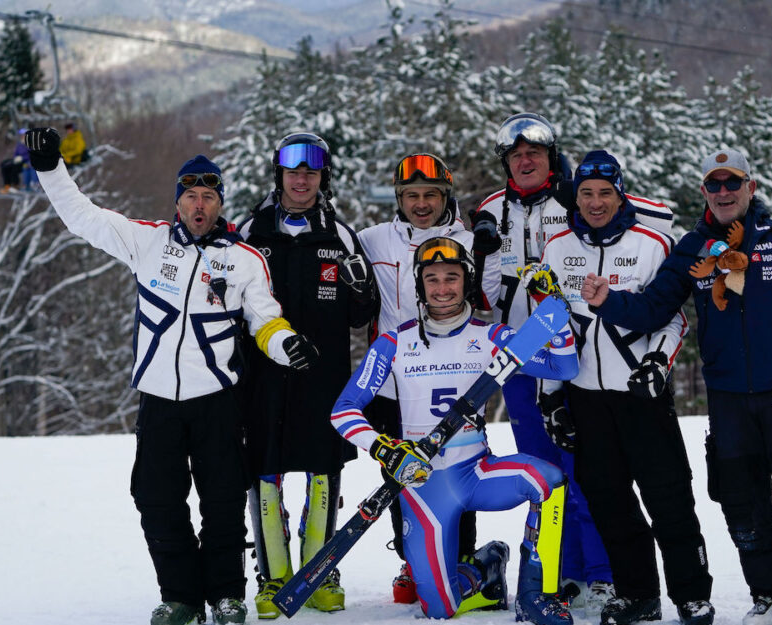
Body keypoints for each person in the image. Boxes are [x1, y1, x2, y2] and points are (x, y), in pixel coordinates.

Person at [25, 127, 323, 625]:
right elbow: (82, 217)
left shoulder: (244, 260)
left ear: (220, 204)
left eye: (209, 196)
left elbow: (265, 318)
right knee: (157, 499)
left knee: (223, 500)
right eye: (191, 196)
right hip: (159, 402)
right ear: (178, 203)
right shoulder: (148, 242)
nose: (199, 205)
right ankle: (181, 597)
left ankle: (227, 594)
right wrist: (51, 167)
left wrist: (285, 344)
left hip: (217, 401)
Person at [582, 148, 772, 625]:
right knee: (744, 507)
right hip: (727, 401)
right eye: (714, 184)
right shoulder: (693, 247)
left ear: (752, 188)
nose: (723, 192)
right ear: (704, 191)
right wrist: (609, 302)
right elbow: (654, 309)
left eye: (733, 183)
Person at [331, 236, 579, 625]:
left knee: (549, 480)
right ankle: (486, 566)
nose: (443, 288)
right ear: (420, 285)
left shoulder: (491, 336)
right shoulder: (394, 343)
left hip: (477, 472)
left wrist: (556, 317)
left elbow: (563, 368)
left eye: (452, 277)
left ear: (467, 281)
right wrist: (384, 449)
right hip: (423, 487)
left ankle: (536, 593)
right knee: (440, 608)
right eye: (432, 279)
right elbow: (343, 411)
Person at [537, 150, 715, 625]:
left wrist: (657, 363)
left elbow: (671, 317)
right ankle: (638, 594)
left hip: (641, 393)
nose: (595, 203)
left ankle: (692, 594)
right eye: (587, 193)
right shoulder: (556, 247)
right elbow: (551, 326)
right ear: (575, 195)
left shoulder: (652, 242)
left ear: (620, 193)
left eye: (605, 193)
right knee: (609, 501)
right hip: (585, 397)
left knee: (669, 498)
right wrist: (551, 395)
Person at [474, 113, 635, 615]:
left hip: (575, 354)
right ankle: (558, 572)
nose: (526, 161)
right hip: (520, 356)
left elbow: (638, 220)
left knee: (585, 466)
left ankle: (602, 575)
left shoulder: (574, 197)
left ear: (551, 158)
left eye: (535, 154)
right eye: (517, 154)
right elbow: (480, 288)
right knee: (542, 470)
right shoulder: (490, 209)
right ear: (506, 162)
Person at [237, 132, 379, 618]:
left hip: (324, 377)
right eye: (293, 171)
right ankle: (273, 576)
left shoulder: (339, 234)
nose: (302, 180)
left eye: (311, 172)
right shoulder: (249, 231)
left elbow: (362, 315)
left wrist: (362, 290)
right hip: (263, 377)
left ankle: (320, 570)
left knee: (324, 469)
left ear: (323, 178)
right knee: (265, 468)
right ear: (278, 175)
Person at [356, 152, 501, 603]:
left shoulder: (466, 237)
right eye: (412, 195)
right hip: (393, 384)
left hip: (454, 377)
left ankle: (460, 556)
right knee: (403, 472)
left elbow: (489, 300)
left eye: (431, 195)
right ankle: (411, 558)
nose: (422, 204)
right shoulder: (373, 240)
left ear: (446, 196)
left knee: (458, 469)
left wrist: (489, 252)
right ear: (399, 198)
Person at [0, 128, 33, 193]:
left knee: (14, 167)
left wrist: (23, 158)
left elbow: (31, 154)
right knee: (4, 165)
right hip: (17, 160)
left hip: (25, 161)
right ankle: (7, 185)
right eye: (21, 135)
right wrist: (16, 158)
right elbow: (16, 153)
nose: (22, 136)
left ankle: (15, 185)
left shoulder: (30, 144)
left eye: (23, 135)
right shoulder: (19, 145)